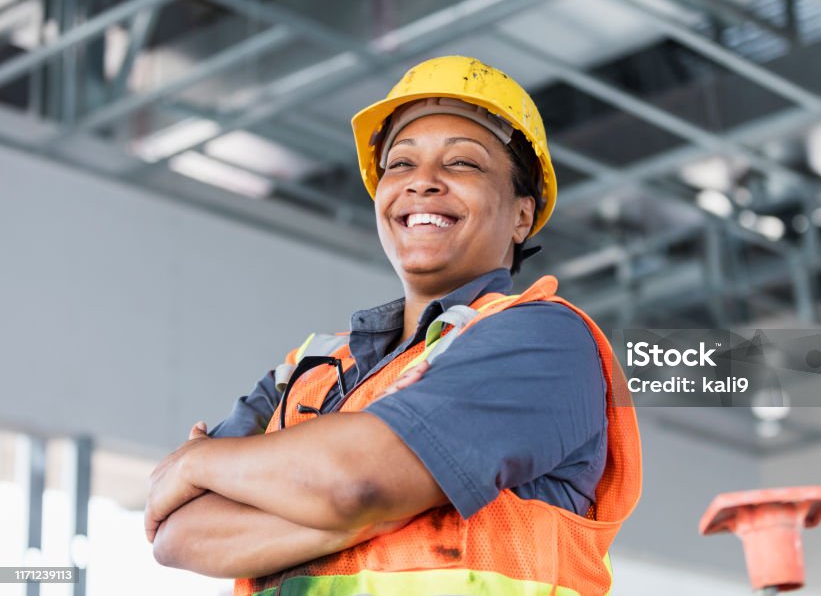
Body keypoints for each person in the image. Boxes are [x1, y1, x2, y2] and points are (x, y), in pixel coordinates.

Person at [145, 55, 642, 595]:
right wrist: (366, 509)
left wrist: (199, 462)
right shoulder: (307, 373)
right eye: (400, 164)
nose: (422, 182)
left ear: (522, 215)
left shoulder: (543, 341)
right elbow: (177, 534)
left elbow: (354, 482)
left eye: (463, 164)